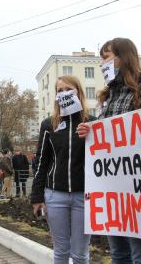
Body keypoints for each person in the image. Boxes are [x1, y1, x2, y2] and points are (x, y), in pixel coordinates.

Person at [77, 38, 141, 264]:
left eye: (105, 57)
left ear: (123, 58)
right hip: (112, 188)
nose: (101, 63)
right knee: (119, 253)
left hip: (138, 189)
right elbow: (107, 135)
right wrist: (91, 131)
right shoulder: (107, 96)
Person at [31, 75, 95, 263]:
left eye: (69, 89)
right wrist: (36, 197)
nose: (64, 93)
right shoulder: (49, 124)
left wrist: (93, 135)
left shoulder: (91, 122)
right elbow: (41, 161)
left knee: (80, 254)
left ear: (78, 92)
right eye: (60, 90)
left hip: (84, 197)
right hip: (54, 196)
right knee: (60, 252)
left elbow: (103, 157)